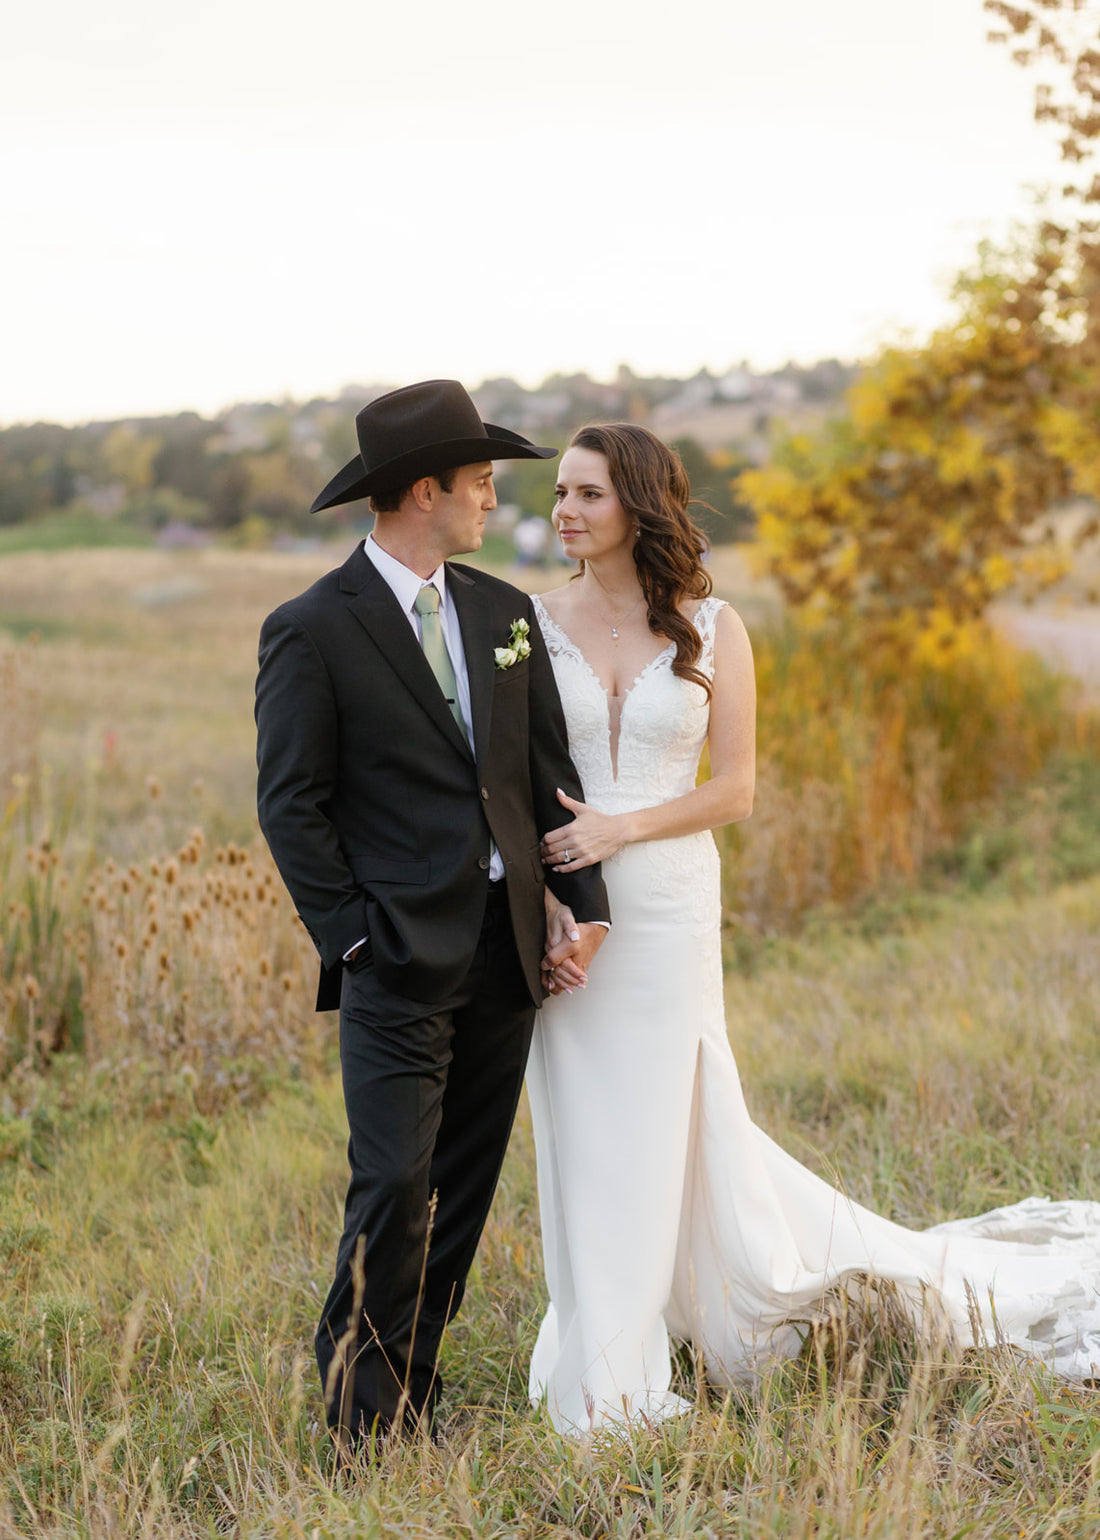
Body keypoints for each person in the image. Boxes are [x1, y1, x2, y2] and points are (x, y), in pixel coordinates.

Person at [527, 421, 1100, 1435]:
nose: (563, 510)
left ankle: (678, 1326)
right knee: (583, 1119)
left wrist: (623, 825)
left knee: (673, 1108)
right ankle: (604, 1338)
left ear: (639, 506)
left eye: (588, 494)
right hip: (570, 907)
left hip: (667, 901)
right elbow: (515, 780)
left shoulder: (713, 626)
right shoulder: (529, 623)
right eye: (561, 492)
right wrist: (549, 897)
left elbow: (736, 790)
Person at [254, 381, 609, 1454]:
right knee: (393, 1182)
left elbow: (545, 770)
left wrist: (579, 905)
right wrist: (355, 939)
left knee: (462, 1188)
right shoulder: (311, 629)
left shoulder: (503, 613)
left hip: (507, 953)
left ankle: (410, 1388)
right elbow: (291, 803)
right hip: (395, 958)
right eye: (480, 482)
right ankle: (359, 1420)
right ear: (424, 490)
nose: (494, 501)